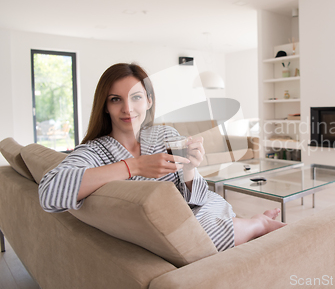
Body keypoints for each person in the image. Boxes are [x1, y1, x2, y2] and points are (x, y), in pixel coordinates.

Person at [38, 63, 286, 251]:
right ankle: (255, 224)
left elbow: (196, 196)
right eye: (116, 99)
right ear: (105, 105)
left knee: (203, 226)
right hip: (162, 230)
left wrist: (190, 169)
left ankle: (245, 224)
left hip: (196, 210)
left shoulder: (165, 134)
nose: (127, 108)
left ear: (148, 101)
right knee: (195, 240)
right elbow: (49, 193)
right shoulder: (95, 151)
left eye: (136, 97)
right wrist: (132, 166)